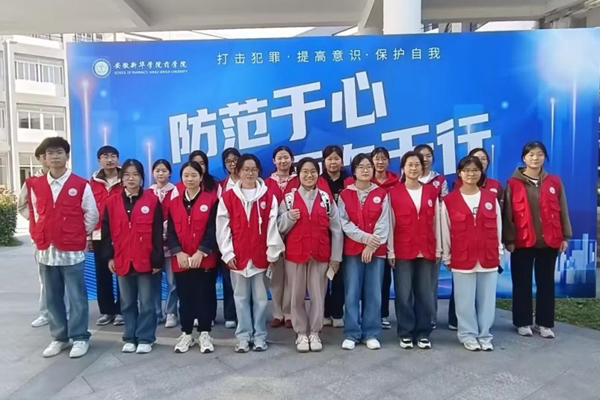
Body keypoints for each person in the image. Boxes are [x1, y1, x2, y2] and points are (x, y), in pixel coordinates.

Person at [29, 137, 99, 358]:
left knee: (77, 297)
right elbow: (32, 212)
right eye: (50, 153)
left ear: (67, 156)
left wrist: (77, 233)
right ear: (44, 157)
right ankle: (59, 337)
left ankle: (80, 337)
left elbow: (92, 213)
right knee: (52, 298)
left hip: (72, 251)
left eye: (59, 152)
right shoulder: (35, 184)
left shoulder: (80, 184)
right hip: (46, 251)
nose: (55, 157)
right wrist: (39, 232)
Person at [216, 154, 285, 353]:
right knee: (240, 298)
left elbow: (272, 226)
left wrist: (272, 253)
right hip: (238, 256)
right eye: (245, 169)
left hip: (260, 256)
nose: (249, 173)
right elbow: (222, 228)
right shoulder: (228, 197)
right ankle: (243, 336)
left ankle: (260, 336)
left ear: (259, 171)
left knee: (261, 299)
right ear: (238, 171)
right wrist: (228, 253)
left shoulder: (268, 196)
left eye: (253, 169)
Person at [503, 141, 571, 339]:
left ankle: (544, 323)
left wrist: (565, 236)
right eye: (531, 154)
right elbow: (508, 214)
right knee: (521, 282)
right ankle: (522, 322)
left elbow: (563, 209)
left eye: (539, 154)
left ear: (545, 157)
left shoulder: (554, 182)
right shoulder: (513, 183)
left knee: (546, 283)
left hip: (549, 240)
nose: (535, 158)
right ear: (524, 158)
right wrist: (509, 239)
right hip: (523, 241)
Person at [278, 157, 343, 352]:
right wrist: (289, 218)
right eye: (304, 172)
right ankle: (301, 333)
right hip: (295, 254)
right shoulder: (289, 199)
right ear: (298, 175)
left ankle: (315, 332)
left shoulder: (325, 198)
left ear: (318, 174)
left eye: (313, 171)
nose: (309, 175)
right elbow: (278, 227)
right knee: (296, 296)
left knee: (318, 296)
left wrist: (336, 258)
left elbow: (336, 229)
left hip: (320, 255)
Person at [100, 159, 164, 354]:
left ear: (142, 177)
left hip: (145, 260)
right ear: (121, 178)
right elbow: (105, 233)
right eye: (127, 175)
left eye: (135, 174)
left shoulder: (152, 200)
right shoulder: (111, 202)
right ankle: (129, 337)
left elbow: (157, 232)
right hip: (122, 259)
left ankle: (145, 338)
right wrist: (109, 257)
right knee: (127, 303)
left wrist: (157, 259)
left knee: (147, 303)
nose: (131, 178)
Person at [441, 156, 502, 351]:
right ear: (459, 173)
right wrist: (446, 256)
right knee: (464, 301)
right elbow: (445, 230)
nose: (471, 174)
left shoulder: (490, 198)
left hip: (488, 256)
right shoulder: (449, 200)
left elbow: (498, 227)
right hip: (462, 256)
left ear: (481, 172)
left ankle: (485, 334)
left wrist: (498, 251)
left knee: (487, 300)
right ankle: (467, 334)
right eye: (466, 170)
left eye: (475, 170)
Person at [388, 151, 441, 350]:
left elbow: (437, 221)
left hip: (426, 249)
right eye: (409, 164)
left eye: (417, 164)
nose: (413, 168)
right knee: (403, 293)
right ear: (403, 168)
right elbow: (390, 223)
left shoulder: (431, 191)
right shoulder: (394, 192)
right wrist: (390, 251)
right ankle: (405, 332)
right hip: (402, 249)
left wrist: (439, 248)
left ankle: (423, 332)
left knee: (425, 293)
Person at [338, 153, 390, 350]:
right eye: (361, 167)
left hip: (376, 252)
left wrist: (371, 245)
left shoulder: (382, 194)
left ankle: (371, 333)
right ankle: (352, 332)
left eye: (369, 166)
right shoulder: (345, 194)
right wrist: (365, 239)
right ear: (354, 171)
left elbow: (384, 223)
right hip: (352, 251)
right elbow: (344, 223)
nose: (366, 170)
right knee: (352, 292)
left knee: (374, 293)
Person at [167, 161, 219, 354]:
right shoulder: (173, 203)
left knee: (205, 296)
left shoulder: (211, 200)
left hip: (204, 258)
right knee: (185, 297)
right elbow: (170, 232)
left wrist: (201, 252)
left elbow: (213, 229)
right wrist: (177, 252)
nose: (190, 179)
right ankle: (186, 333)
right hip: (181, 260)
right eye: (186, 175)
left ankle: (205, 333)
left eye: (194, 175)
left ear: (201, 177)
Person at [18, 138, 51, 328]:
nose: (50, 158)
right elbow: (22, 206)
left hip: (66, 238)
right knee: (45, 278)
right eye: (45, 155)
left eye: (55, 153)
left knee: (68, 279)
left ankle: (67, 312)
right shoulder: (32, 182)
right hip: (41, 238)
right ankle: (45, 313)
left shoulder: (69, 179)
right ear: (40, 158)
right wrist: (37, 223)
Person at [90, 145, 123, 326]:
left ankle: (121, 310)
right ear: (99, 160)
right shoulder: (92, 182)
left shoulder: (126, 177)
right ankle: (107, 311)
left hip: (122, 233)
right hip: (99, 234)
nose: (109, 160)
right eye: (105, 156)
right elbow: (87, 209)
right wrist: (88, 236)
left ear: (117, 158)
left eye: (113, 156)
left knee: (122, 272)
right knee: (102, 273)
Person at [264, 146, 297, 328]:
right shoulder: (266, 183)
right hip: (272, 234)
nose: (283, 161)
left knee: (292, 278)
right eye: (279, 158)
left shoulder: (299, 180)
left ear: (292, 159)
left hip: (294, 234)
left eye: (286, 157)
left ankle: (290, 313)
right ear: (273, 161)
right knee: (276, 278)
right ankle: (277, 313)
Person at [415, 144, 447, 329]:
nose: (425, 159)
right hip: (411, 236)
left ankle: (430, 317)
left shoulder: (439, 180)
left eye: (428, 156)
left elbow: (444, 207)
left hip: (433, 235)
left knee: (430, 281)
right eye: (421, 156)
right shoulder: (406, 178)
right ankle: (413, 317)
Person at [370, 147, 399, 330]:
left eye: (383, 158)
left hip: (391, 234)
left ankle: (382, 314)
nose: (380, 162)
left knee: (384, 278)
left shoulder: (396, 183)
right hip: (367, 236)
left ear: (388, 161)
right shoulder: (365, 181)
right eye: (377, 158)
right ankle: (367, 314)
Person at [321, 145, 348, 328]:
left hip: (345, 235)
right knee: (321, 277)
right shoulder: (318, 180)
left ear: (342, 161)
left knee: (340, 277)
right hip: (323, 235)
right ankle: (324, 312)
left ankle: (337, 312)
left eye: (336, 158)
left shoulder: (349, 180)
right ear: (324, 161)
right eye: (329, 159)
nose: (333, 162)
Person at [149, 159, 178, 329]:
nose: (161, 174)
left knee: (172, 281)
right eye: (157, 171)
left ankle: (171, 312)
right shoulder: (148, 192)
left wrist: (166, 229)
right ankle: (156, 312)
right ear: (153, 173)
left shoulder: (175, 191)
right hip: (153, 245)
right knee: (153, 280)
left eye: (164, 170)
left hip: (171, 243)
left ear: (170, 173)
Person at [216, 148, 241, 329]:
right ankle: (230, 314)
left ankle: (247, 314)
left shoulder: (251, 181)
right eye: (228, 161)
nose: (232, 164)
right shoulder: (222, 185)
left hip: (247, 235)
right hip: (228, 235)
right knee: (228, 276)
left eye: (235, 159)